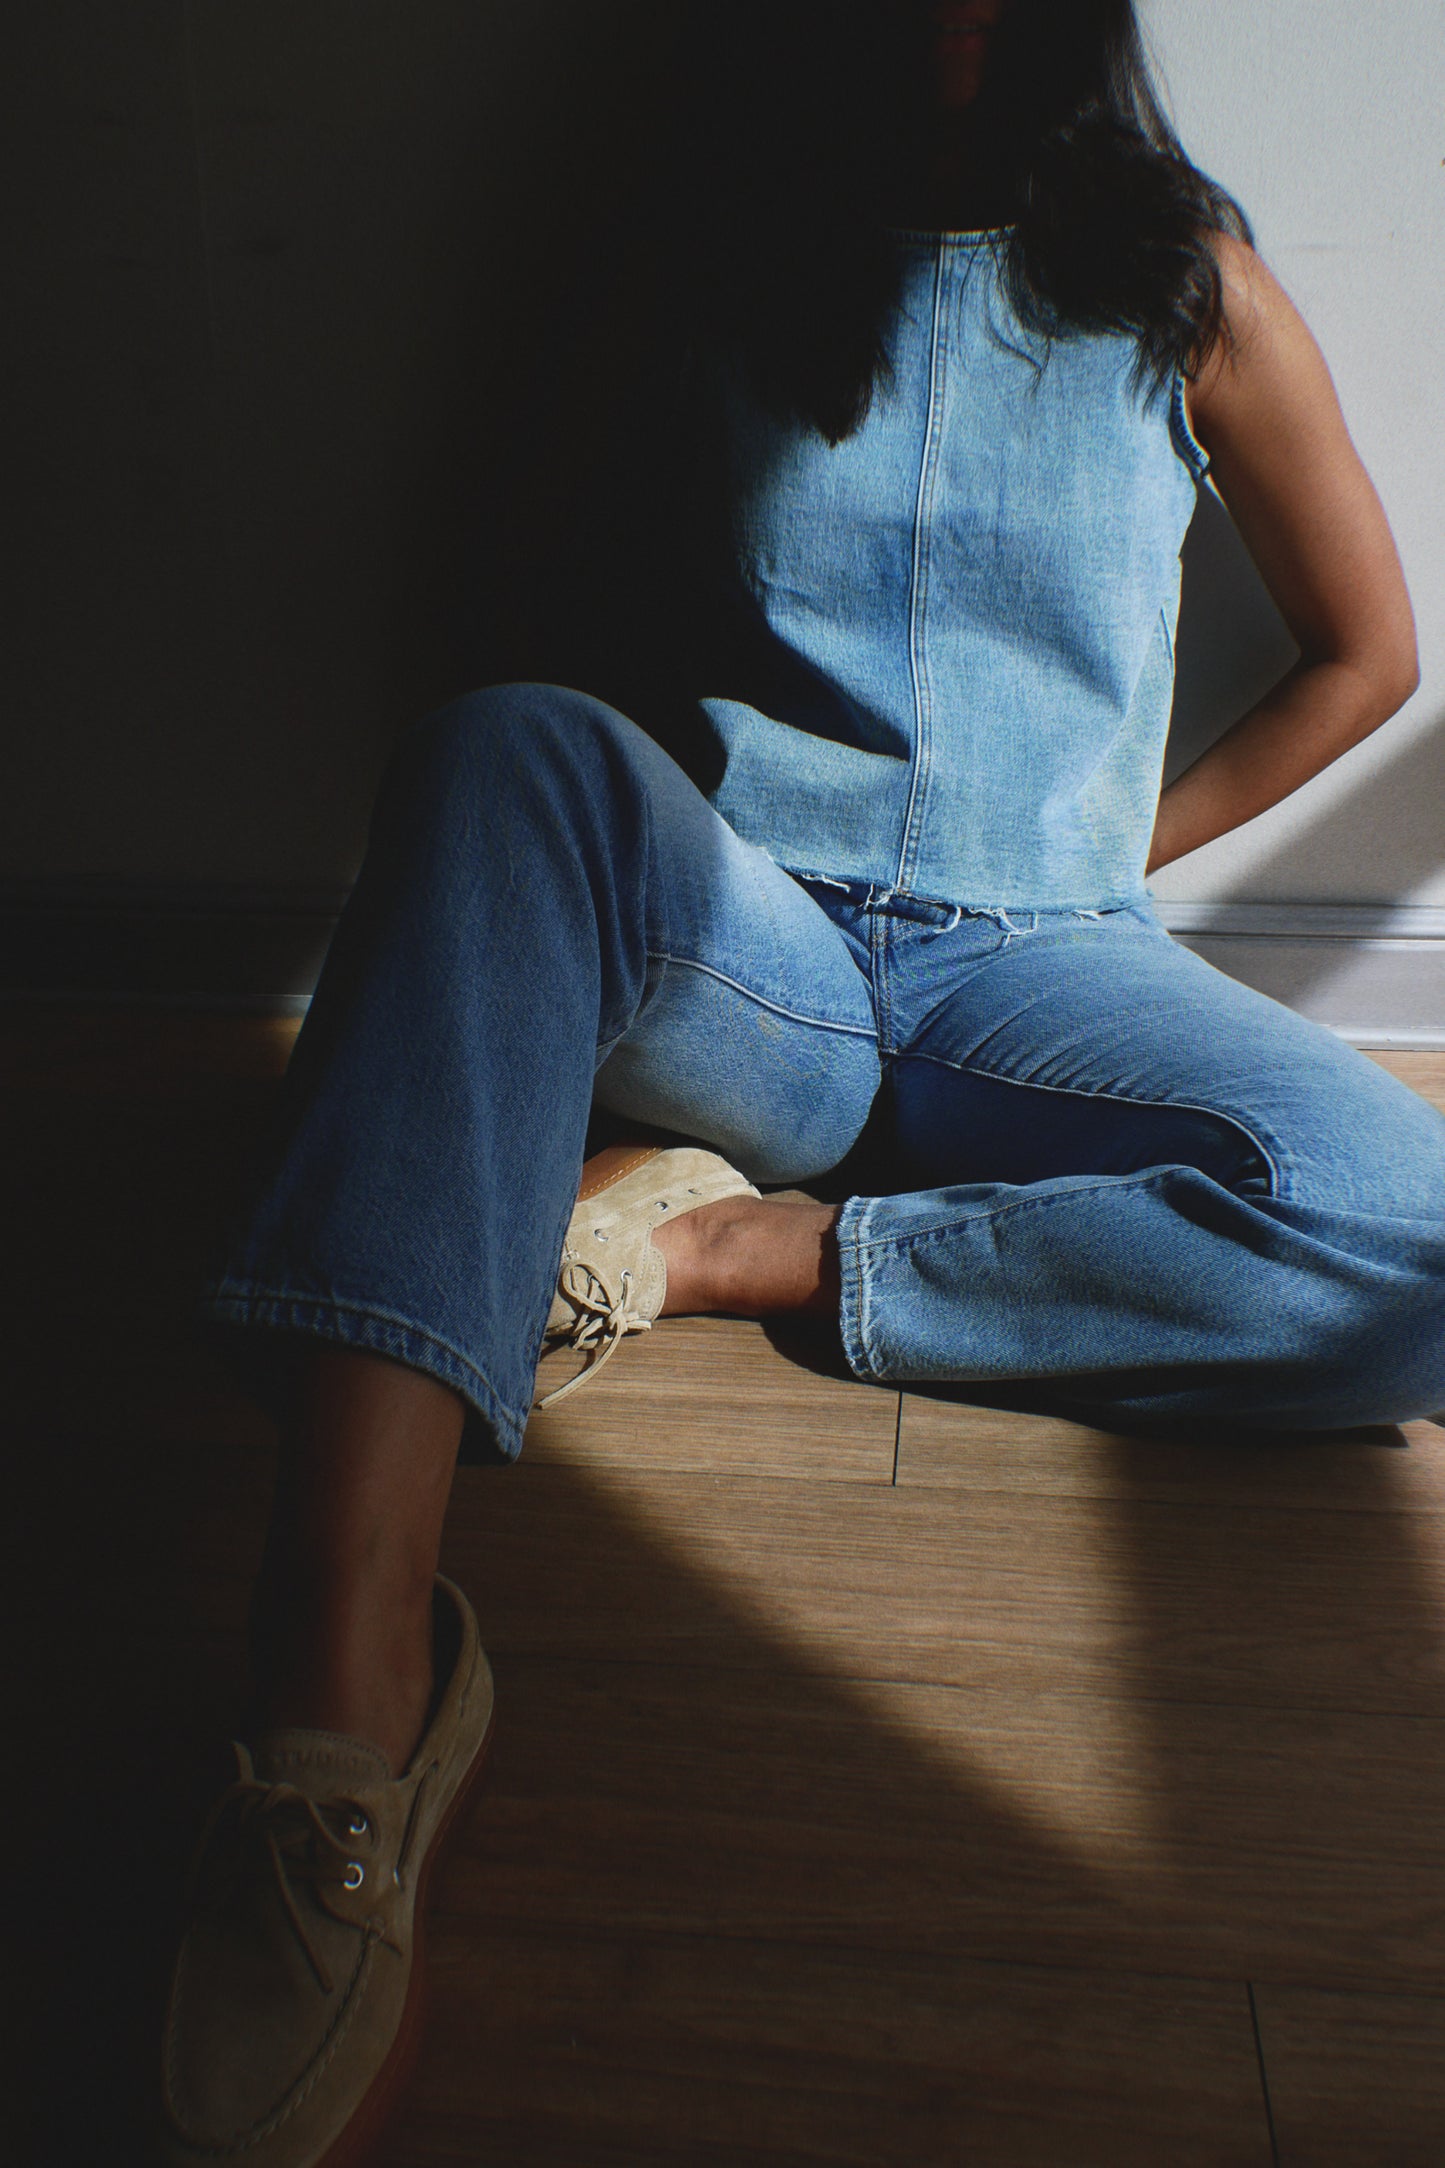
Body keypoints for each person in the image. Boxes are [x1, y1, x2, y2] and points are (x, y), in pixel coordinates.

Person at [156, 2, 1445, 2161]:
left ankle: (736, 1246)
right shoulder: (709, 253)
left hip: (1042, 967)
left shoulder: (1184, 284)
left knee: (1409, 1233)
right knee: (500, 746)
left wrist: (1105, 860)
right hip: (751, 947)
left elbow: (1369, 652)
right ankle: (338, 1711)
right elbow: (527, 599)